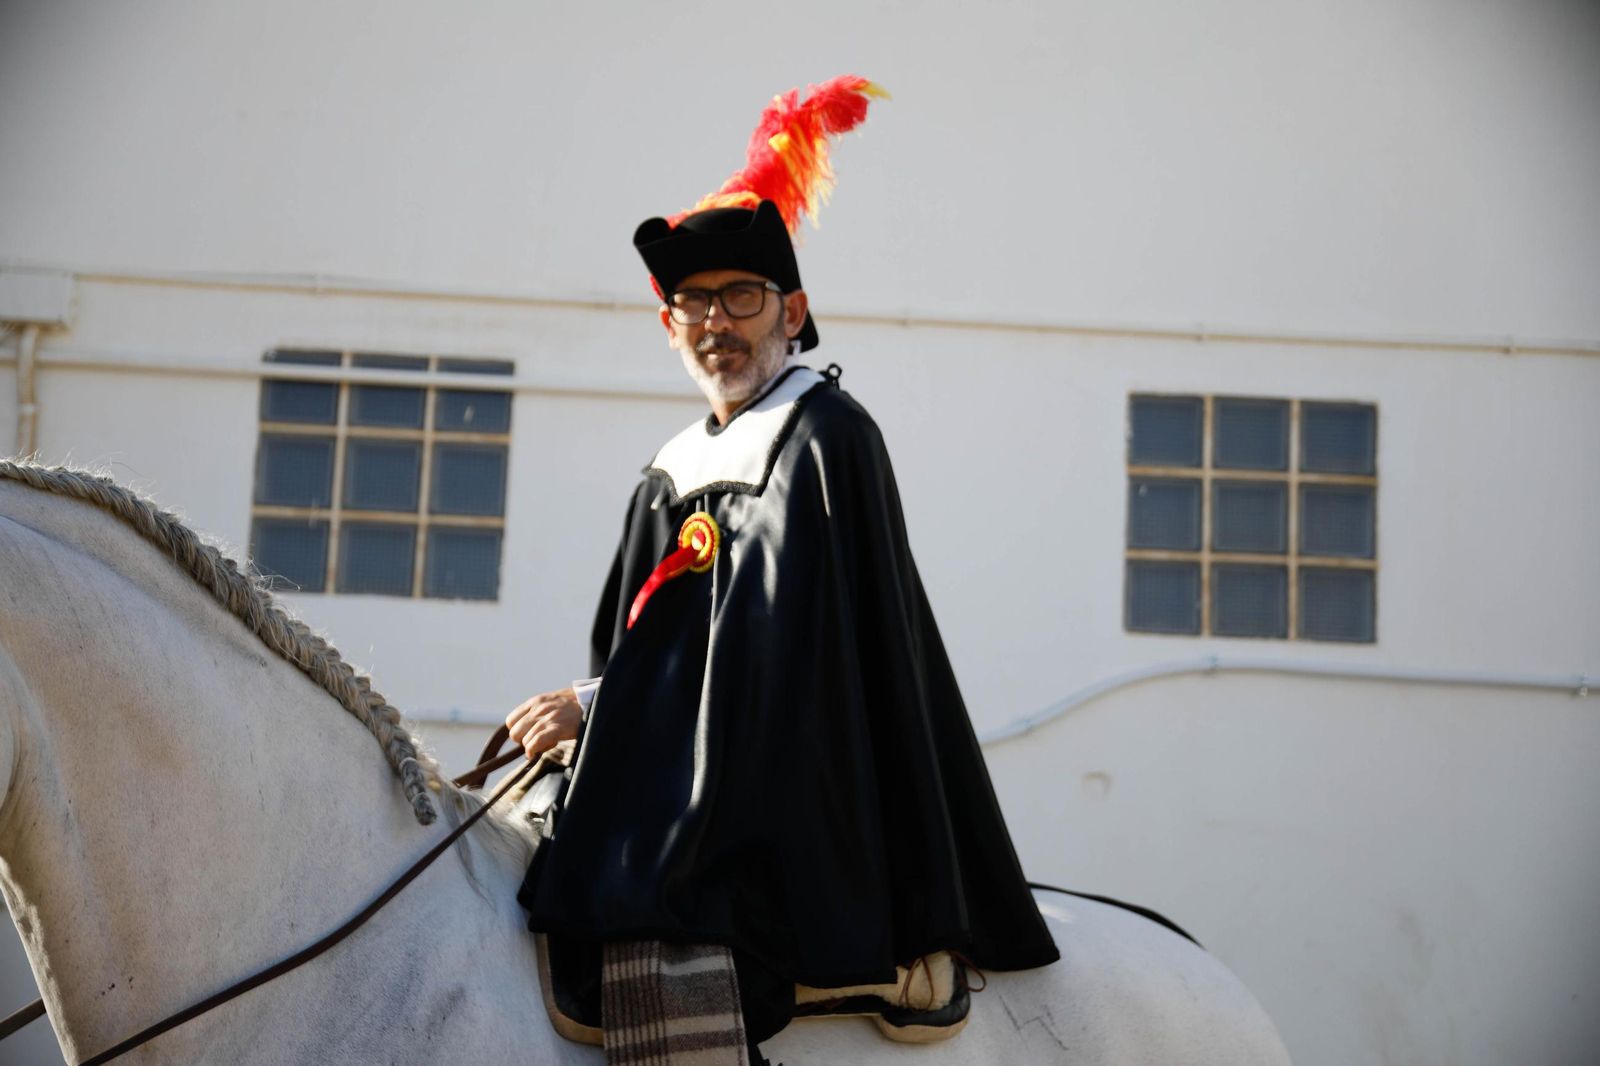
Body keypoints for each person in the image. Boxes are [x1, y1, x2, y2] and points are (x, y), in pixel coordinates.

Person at [508, 76, 1058, 1059]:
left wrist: (603, 708)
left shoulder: (821, 438)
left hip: (792, 768)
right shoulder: (673, 466)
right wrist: (596, 700)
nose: (715, 320)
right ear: (667, 325)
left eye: (740, 296)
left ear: (792, 310)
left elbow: (786, 651)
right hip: (686, 756)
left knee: (643, 896)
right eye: (691, 302)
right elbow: (646, 645)